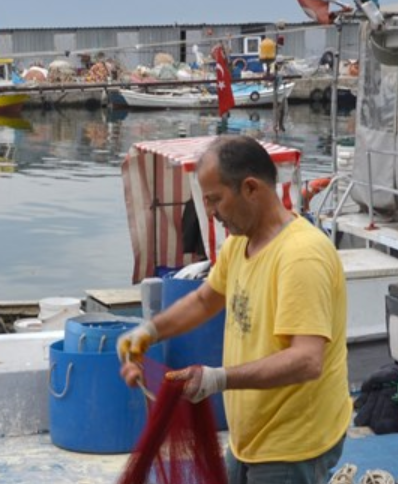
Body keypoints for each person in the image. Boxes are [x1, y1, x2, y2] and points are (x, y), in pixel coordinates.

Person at [118, 135, 350, 484]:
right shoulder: (239, 244)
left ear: (251, 188)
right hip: (250, 439)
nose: (209, 212)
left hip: (292, 446)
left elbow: (307, 359)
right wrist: (149, 331)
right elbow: (204, 300)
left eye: (214, 199)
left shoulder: (301, 255)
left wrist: (217, 379)